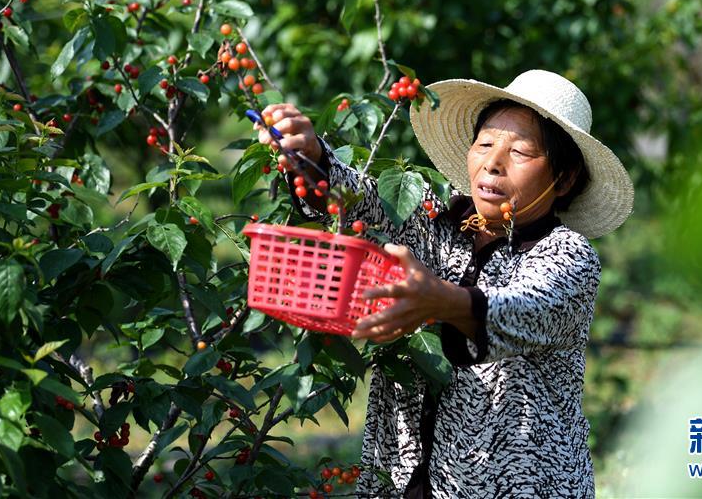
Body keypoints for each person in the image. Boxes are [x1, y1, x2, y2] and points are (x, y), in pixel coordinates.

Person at [254, 70, 634, 498]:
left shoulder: (569, 254)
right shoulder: (438, 221)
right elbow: (367, 203)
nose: (493, 162)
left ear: (562, 179)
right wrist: (312, 158)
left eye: (520, 151)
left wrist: (440, 299)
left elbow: (522, 308)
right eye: (485, 144)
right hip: (406, 480)